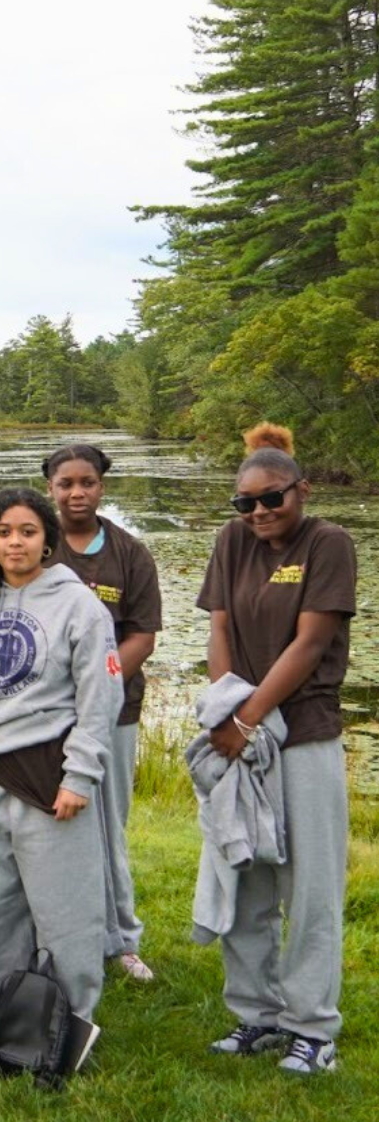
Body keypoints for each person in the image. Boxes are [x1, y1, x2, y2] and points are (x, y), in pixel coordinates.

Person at [0, 487, 122, 1029]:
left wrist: (79, 774)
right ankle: (8, 1016)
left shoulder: (78, 604)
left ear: (47, 539)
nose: (16, 542)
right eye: (5, 532)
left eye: (28, 532)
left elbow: (99, 697)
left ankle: (72, 1019)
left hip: (48, 776)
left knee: (65, 910)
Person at [197, 424, 355, 1076]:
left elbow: (310, 642)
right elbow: (220, 627)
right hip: (240, 736)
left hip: (303, 734)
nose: (259, 512)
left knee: (310, 885)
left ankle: (312, 1026)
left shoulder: (329, 542)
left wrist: (251, 718)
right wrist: (223, 708)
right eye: (246, 502)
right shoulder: (232, 542)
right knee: (246, 872)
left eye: (273, 499)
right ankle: (256, 1012)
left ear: (301, 489)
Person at [42, 443, 162, 982]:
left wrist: (97, 686)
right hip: (43, 714)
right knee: (48, 823)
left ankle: (121, 940)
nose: (76, 493)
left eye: (86, 482)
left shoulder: (128, 553)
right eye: (65, 483)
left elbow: (143, 635)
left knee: (109, 823)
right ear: (50, 488)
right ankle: (51, 936)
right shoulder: (36, 546)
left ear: (101, 487)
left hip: (113, 712)